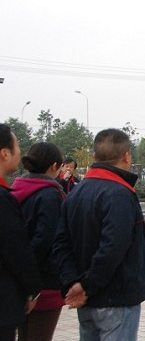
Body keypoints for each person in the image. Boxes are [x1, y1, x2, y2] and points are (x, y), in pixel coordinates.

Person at [53, 129, 145, 341]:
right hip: (116, 299)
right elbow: (113, 247)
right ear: (126, 156)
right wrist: (86, 286)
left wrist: (74, 282)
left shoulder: (76, 193)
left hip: (87, 298)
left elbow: (60, 244)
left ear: (95, 156)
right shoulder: (120, 194)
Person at [11, 142, 66, 341]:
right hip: (45, 284)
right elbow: (45, 239)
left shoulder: (14, 190)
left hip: (17, 281)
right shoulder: (51, 195)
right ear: (54, 166)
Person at [0, 124, 41, 341]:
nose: (20, 152)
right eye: (16, 146)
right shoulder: (3, 199)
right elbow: (16, 251)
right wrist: (32, 289)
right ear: (4, 153)